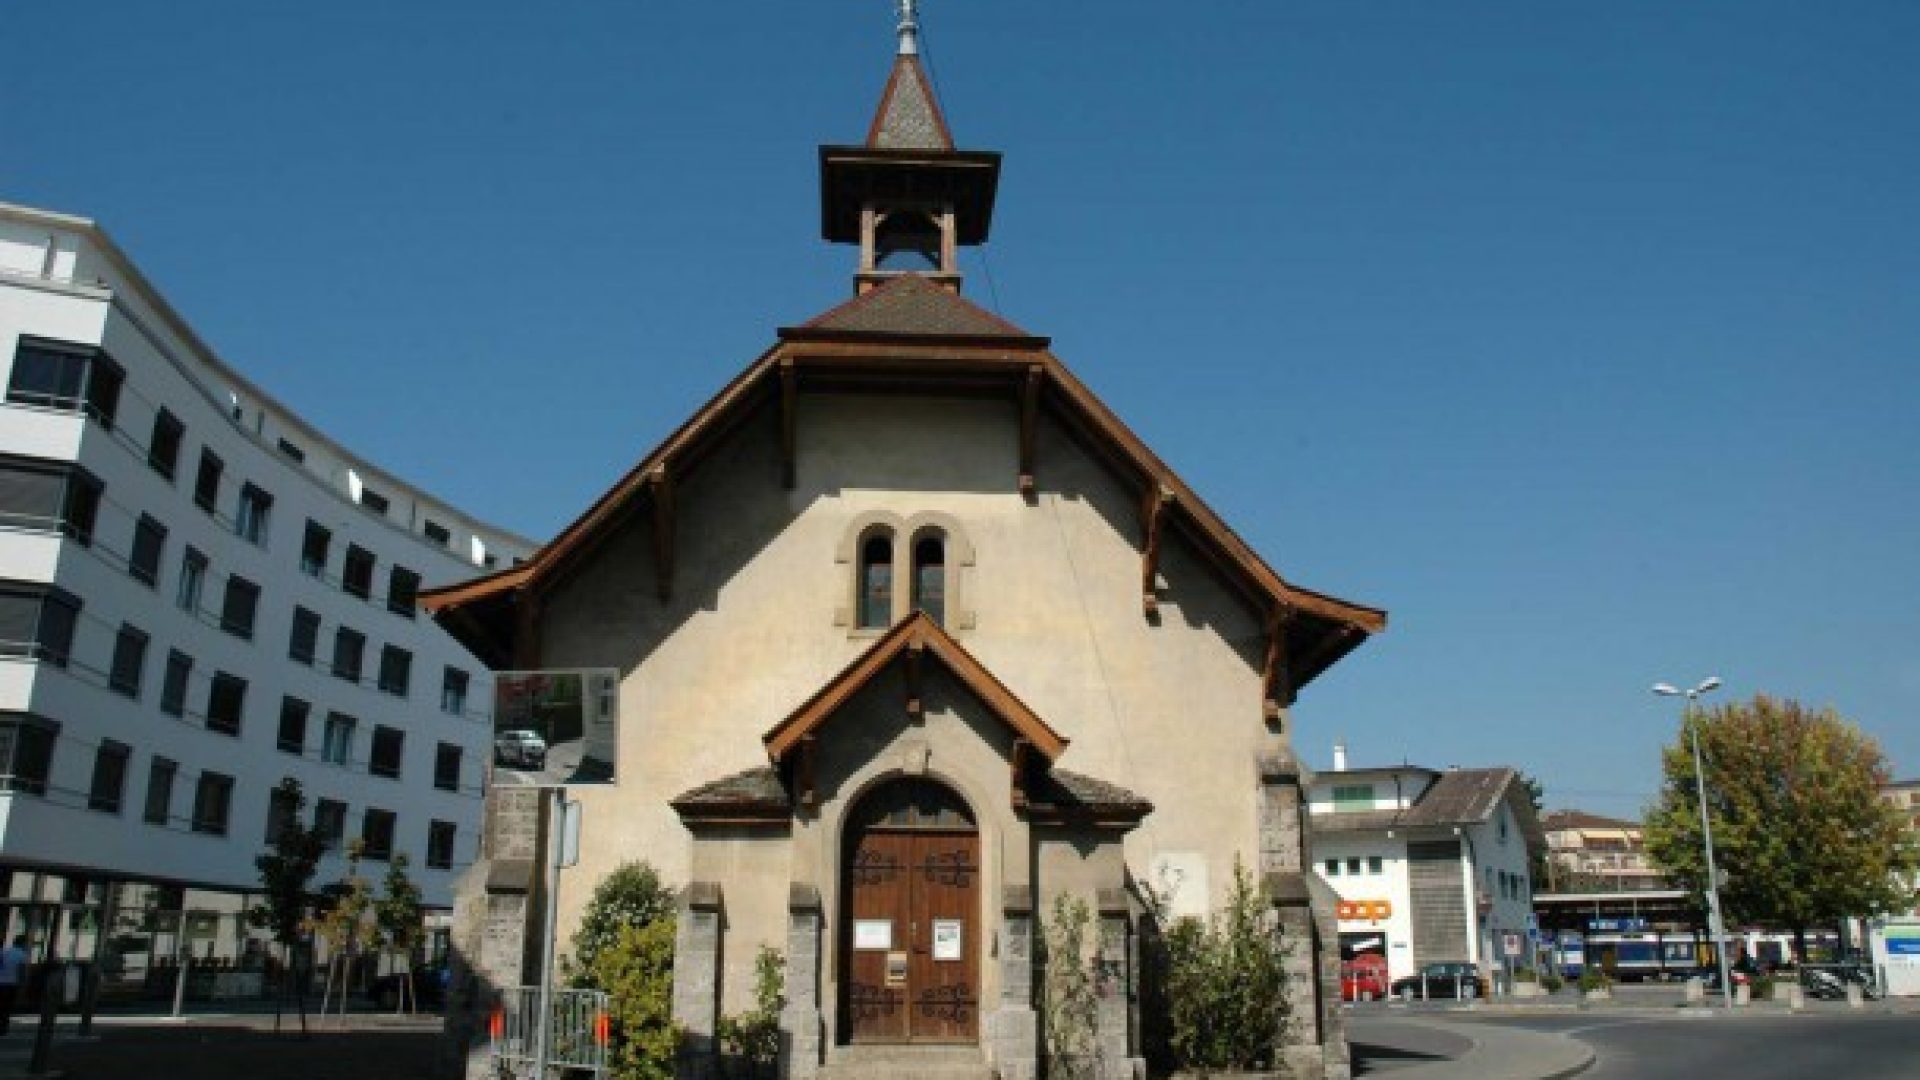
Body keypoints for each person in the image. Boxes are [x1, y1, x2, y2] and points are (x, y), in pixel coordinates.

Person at [0, 935, 28, 1036]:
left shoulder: (4, 951)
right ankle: (3, 1028)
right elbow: (22, 971)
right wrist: (23, 985)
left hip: (1, 982)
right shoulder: (22, 955)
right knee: (6, 1007)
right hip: (12, 983)